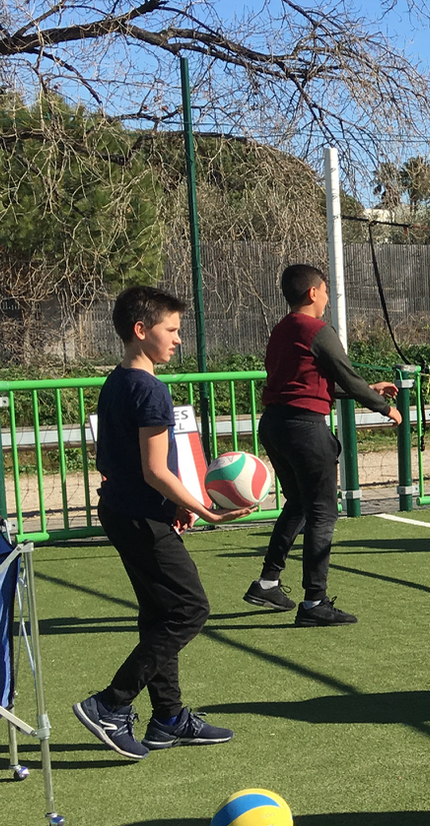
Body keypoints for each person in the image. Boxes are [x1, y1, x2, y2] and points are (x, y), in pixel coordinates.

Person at [71, 286, 255, 760]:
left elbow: (112, 459)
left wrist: (169, 504)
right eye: (171, 330)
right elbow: (156, 469)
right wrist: (204, 507)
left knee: (159, 614)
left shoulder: (116, 381)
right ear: (140, 331)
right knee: (189, 609)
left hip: (124, 510)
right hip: (137, 517)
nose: (177, 339)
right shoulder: (150, 389)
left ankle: (168, 719)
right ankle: (111, 703)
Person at [243, 264, 401, 626]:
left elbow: (308, 384)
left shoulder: (281, 331)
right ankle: (314, 603)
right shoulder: (318, 330)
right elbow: (345, 374)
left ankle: (267, 582)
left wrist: (364, 391)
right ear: (313, 293)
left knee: (298, 504)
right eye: (326, 291)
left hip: (275, 425)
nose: (328, 298)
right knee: (323, 513)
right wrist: (384, 407)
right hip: (305, 430)